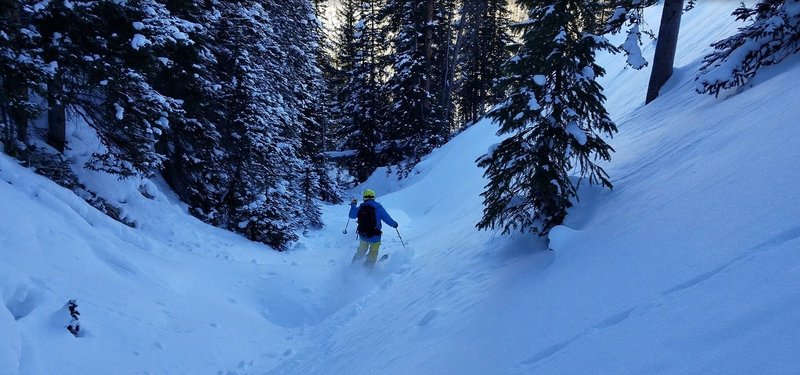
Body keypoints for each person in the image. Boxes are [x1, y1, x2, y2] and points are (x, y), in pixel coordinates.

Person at [349, 188, 398, 267]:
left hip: (363, 235)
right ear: (373, 197)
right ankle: (368, 269)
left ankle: (353, 265)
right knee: (373, 252)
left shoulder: (361, 208)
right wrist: (394, 224)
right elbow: (387, 219)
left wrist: (353, 205)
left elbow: (351, 215)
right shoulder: (378, 207)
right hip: (375, 236)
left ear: (364, 198)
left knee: (361, 251)